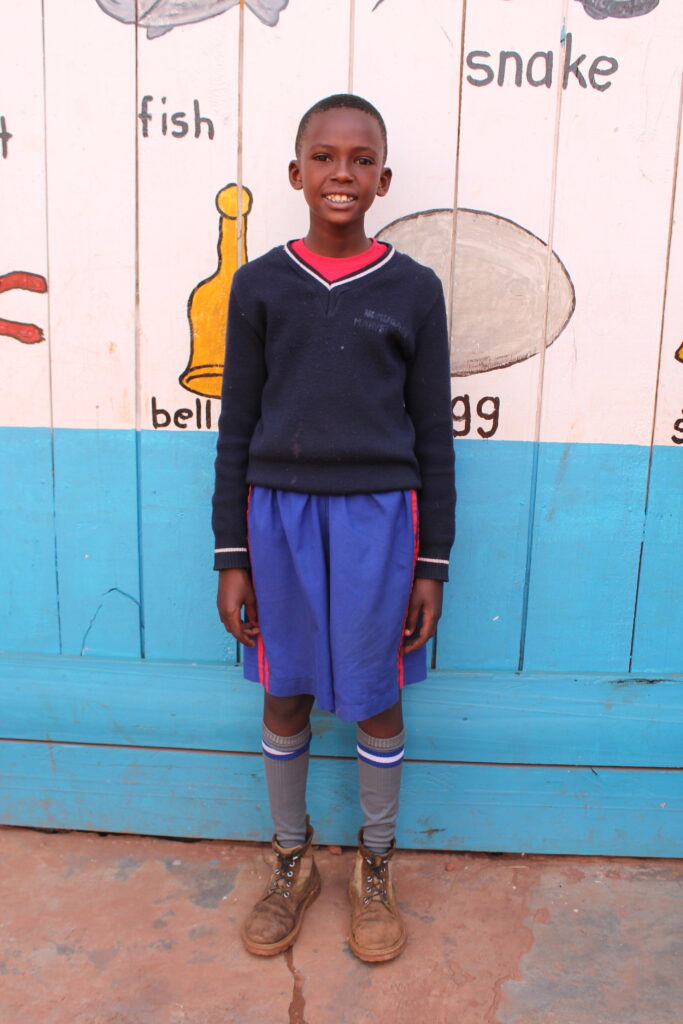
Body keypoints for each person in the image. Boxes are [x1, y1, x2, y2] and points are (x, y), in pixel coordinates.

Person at [212, 93, 455, 963]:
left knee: (375, 697)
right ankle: (292, 860)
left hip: (379, 525)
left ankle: (374, 867)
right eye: (323, 157)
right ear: (296, 173)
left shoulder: (413, 290)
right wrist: (231, 555)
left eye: (360, 159)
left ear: (383, 179)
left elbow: (433, 434)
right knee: (285, 691)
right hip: (275, 520)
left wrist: (430, 565)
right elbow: (236, 425)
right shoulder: (260, 285)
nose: (340, 173)